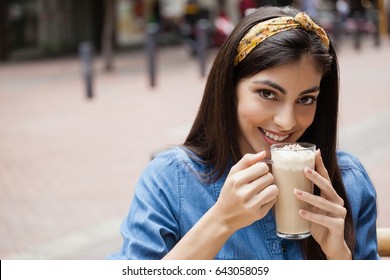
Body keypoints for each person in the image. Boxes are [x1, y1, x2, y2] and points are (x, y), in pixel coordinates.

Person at [109, 5, 379, 260]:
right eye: (267, 94)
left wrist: (340, 260)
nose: (286, 122)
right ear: (230, 90)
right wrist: (221, 221)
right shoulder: (171, 180)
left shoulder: (348, 181)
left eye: (306, 99)